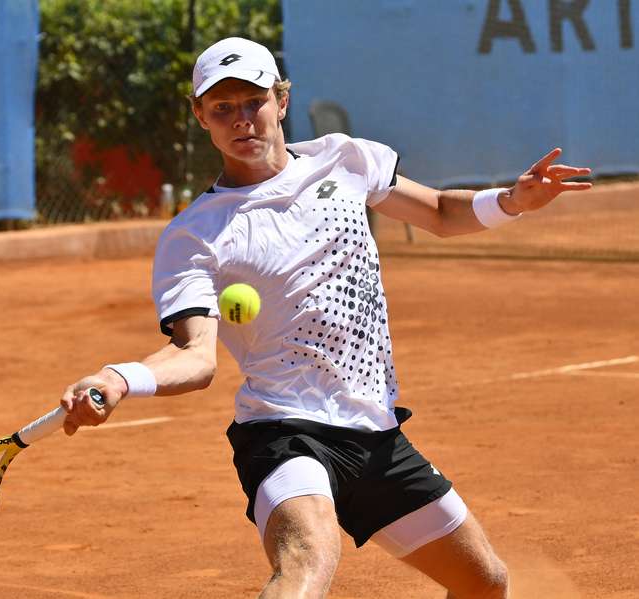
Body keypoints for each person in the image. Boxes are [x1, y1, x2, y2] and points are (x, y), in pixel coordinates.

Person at [59, 37, 592, 598]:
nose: (242, 120)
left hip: (376, 431)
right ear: (201, 116)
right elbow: (195, 358)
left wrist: (511, 201)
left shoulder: (345, 158)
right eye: (222, 108)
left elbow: (436, 211)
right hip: (283, 430)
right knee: (308, 563)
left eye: (253, 102)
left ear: (280, 100)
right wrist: (119, 378)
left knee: (487, 583)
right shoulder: (195, 236)